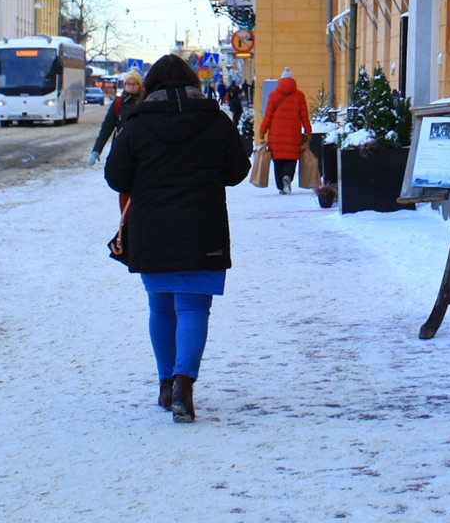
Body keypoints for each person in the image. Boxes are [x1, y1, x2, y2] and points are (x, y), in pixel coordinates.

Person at [103, 54, 250, 423]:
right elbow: (237, 171)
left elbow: (116, 178)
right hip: (204, 228)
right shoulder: (215, 119)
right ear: (193, 82)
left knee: (162, 308)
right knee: (193, 308)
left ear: (150, 86)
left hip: (153, 229)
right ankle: (185, 384)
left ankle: (166, 383)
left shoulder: (136, 123)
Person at [258, 67, 312, 195]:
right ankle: (287, 177)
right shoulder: (300, 95)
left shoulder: (273, 95)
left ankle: (280, 187)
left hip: (276, 135)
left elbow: (268, 116)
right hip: (293, 134)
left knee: (278, 160)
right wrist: (308, 131)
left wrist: (262, 131)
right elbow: (304, 116)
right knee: (291, 158)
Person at [87, 67, 144, 167]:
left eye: (134, 84)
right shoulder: (118, 103)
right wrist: (97, 150)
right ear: (125, 85)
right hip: (121, 147)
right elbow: (107, 127)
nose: (131, 86)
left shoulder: (144, 103)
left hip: (141, 149)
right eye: (128, 84)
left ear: (139, 86)